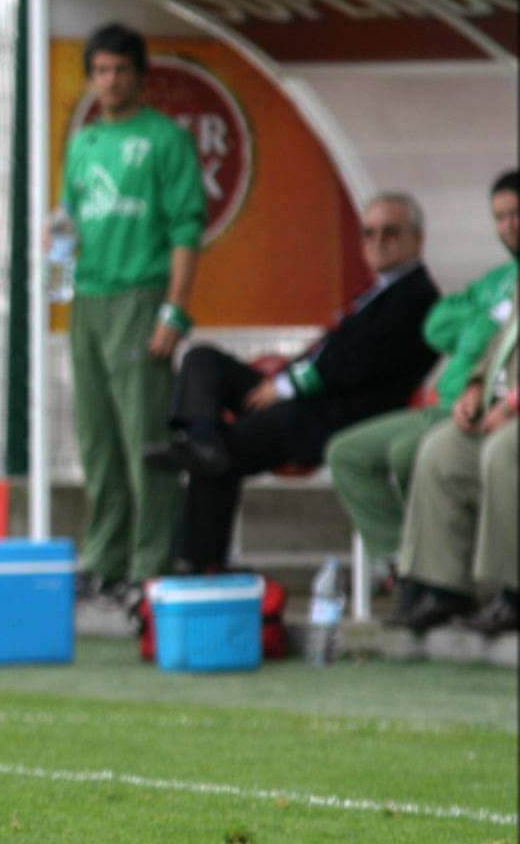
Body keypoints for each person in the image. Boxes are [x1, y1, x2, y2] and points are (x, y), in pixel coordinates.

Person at [146, 193, 440, 573]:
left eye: (390, 233)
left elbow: (354, 363)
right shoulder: (378, 290)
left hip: (338, 417)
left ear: (418, 239)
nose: (377, 243)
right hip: (305, 399)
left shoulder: (418, 296)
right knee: (203, 361)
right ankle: (200, 437)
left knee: (224, 452)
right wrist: (284, 379)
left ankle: (198, 561)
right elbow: (328, 349)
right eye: (368, 234)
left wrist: (285, 386)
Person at [57, 22, 206, 603]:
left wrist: (175, 311)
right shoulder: (83, 142)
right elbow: (65, 223)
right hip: (88, 301)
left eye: (120, 70)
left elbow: (187, 228)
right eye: (100, 71)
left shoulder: (166, 139)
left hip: (142, 298)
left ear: (139, 77)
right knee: (97, 440)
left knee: (144, 437)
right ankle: (105, 558)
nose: (110, 81)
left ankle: (150, 564)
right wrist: (54, 289)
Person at [327, 170, 519, 590]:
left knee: (416, 453)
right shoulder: (499, 281)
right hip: (455, 402)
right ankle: (410, 570)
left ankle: (463, 580)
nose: (509, 226)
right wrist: (481, 344)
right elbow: (440, 326)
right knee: (347, 452)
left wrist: (485, 332)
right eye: (501, 217)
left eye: (516, 214)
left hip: (495, 412)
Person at [393, 297, 518, 635]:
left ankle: (512, 594)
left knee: (503, 451)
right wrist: (477, 386)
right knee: (441, 450)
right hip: (503, 408)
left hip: (512, 415)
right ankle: (446, 589)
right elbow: (503, 345)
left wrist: (510, 404)